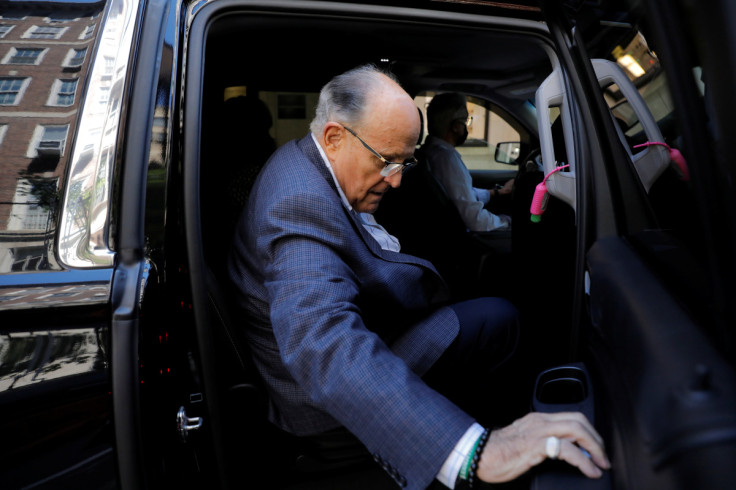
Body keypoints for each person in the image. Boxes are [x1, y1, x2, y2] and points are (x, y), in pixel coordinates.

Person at [227, 64, 609, 489]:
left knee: (496, 315)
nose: (395, 180)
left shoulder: (306, 158)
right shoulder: (298, 205)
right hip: (320, 409)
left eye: (404, 163)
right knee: (501, 319)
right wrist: (476, 450)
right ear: (335, 137)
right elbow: (328, 349)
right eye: (386, 160)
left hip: (378, 327)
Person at [422, 92, 513, 232]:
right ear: (455, 127)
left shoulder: (430, 152)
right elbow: (475, 220)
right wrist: (507, 222)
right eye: (465, 121)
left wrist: (498, 192)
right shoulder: (446, 159)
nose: (466, 127)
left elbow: (461, 195)